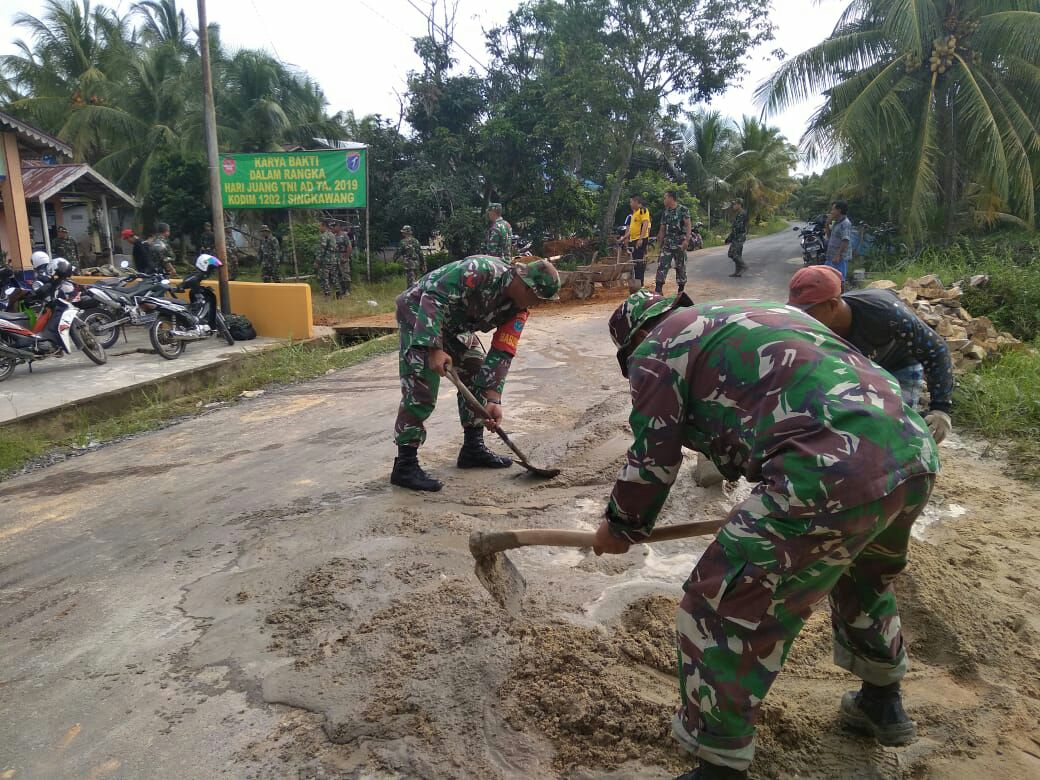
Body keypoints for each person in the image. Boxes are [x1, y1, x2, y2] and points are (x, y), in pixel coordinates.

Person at [597, 290, 940, 780]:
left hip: (826, 470)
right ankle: (882, 702)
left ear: (631, 342)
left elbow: (652, 457)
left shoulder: (658, 347)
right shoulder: (755, 312)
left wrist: (620, 525)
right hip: (911, 455)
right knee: (861, 574)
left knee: (720, 600)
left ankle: (719, 764)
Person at [391, 256, 561, 492]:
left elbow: (503, 350)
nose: (536, 304)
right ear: (524, 284)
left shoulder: (519, 310)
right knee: (422, 387)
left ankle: (473, 448)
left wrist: (493, 400)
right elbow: (434, 296)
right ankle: (405, 465)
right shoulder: (481, 271)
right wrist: (434, 349)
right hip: (418, 313)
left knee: (477, 369)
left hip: (455, 326)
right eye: (536, 297)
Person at [788, 265, 954, 443]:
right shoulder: (811, 328)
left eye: (806, 310)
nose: (799, 317)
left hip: (898, 366)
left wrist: (940, 408)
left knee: (891, 428)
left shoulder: (885, 313)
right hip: (858, 369)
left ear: (832, 305)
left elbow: (936, 349)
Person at [654, 190, 692, 295]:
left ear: (671, 198)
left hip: (680, 241)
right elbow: (662, 229)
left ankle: (681, 290)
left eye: (665, 197)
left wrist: (687, 240)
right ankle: (658, 289)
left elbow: (688, 225)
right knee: (662, 264)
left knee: (680, 266)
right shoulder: (665, 212)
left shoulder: (683, 210)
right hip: (668, 242)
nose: (664, 200)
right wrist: (660, 246)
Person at [626, 195, 652, 290]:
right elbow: (632, 229)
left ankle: (640, 283)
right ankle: (637, 282)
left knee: (639, 262)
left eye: (631, 202)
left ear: (636, 202)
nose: (630, 204)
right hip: (633, 240)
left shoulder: (643, 210)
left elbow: (645, 224)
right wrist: (624, 237)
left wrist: (641, 239)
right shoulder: (634, 214)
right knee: (635, 262)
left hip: (640, 240)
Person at [826, 200, 853, 281]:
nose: (831, 212)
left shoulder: (845, 223)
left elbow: (845, 241)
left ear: (839, 210)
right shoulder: (836, 223)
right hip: (831, 256)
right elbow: (829, 237)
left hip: (839, 258)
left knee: (839, 280)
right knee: (829, 280)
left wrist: (838, 255)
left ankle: (841, 294)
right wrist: (827, 224)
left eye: (833, 209)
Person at [724, 198, 748, 277]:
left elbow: (738, 227)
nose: (733, 206)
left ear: (739, 205)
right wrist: (730, 237)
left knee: (732, 253)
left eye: (735, 204)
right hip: (738, 236)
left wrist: (730, 237)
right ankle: (737, 272)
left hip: (739, 237)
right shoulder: (739, 213)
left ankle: (743, 266)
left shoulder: (742, 214)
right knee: (737, 254)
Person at [315, 220, 339, 297]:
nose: (319, 228)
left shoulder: (324, 235)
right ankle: (338, 292)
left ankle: (327, 293)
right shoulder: (332, 235)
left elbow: (322, 249)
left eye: (320, 226)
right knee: (334, 276)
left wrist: (317, 261)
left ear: (324, 226)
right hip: (333, 259)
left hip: (326, 260)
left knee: (324, 277)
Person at [334, 223, 353, 295]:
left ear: (339, 227)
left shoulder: (344, 235)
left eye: (335, 226)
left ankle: (347, 290)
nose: (333, 228)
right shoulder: (334, 236)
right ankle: (342, 290)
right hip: (336, 257)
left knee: (345, 274)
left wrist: (346, 257)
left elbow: (349, 247)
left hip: (343, 256)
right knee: (338, 275)